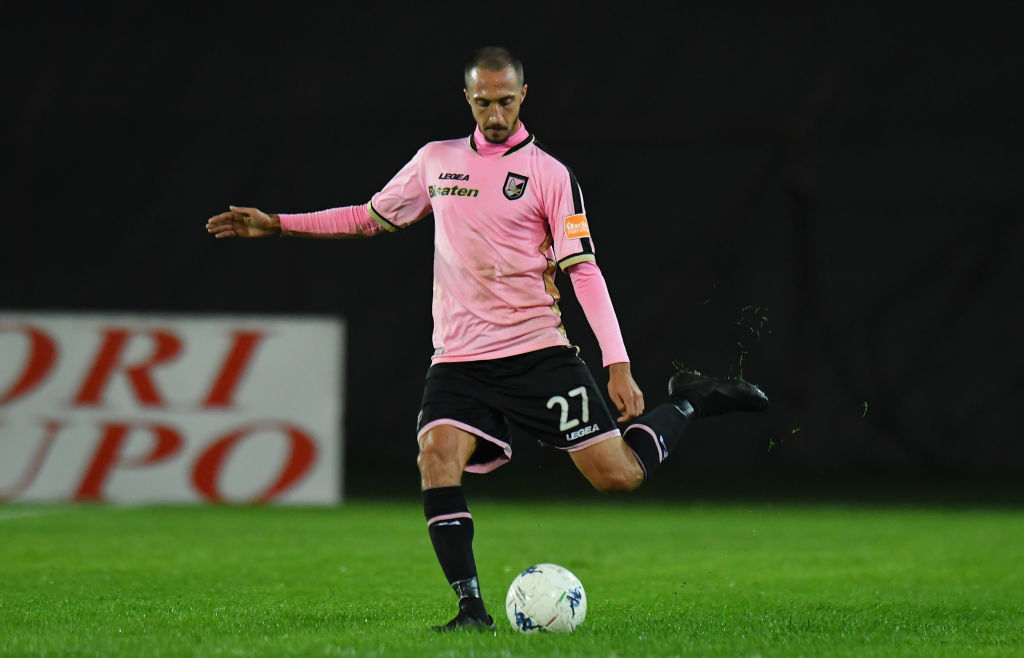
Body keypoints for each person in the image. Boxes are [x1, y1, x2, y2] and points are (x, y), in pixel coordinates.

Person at [206, 45, 769, 632]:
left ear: (523, 96)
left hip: (537, 354)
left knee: (619, 475)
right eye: (483, 103)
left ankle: (689, 399)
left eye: (505, 101)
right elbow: (369, 216)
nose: (494, 114)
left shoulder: (550, 176)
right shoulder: (436, 161)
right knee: (436, 457)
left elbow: (584, 270)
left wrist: (617, 363)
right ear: (468, 99)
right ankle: (471, 609)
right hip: (459, 361)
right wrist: (279, 223)